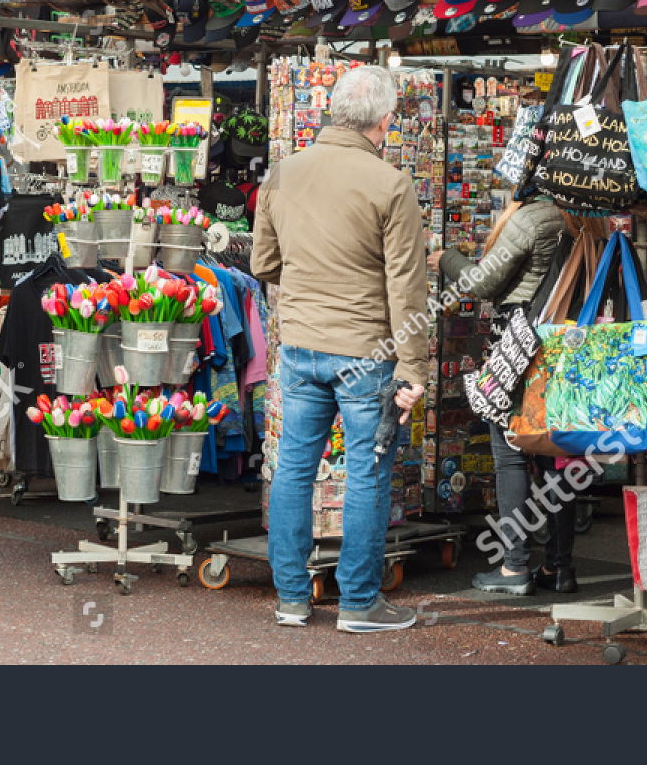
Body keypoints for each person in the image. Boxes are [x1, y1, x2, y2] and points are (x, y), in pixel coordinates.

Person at [253, 66, 428, 632]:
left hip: (300, 344)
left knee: (294, 471)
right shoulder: (390, 184)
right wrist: (413, 366)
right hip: (365, 351)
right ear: (385, 120)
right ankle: (357, 602)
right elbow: (407, 284)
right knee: (367, 472)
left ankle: (291, 598)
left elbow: (263, 263)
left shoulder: (283, 173)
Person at [430, 199, 604, 596]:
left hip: (524, 344)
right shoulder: (592, 217)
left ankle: (514, 568)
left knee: (509, 451)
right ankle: (559, 568)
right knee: (555, 453)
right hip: (569, 345)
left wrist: (448, 259)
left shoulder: (533, 216)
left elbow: (483, 282)